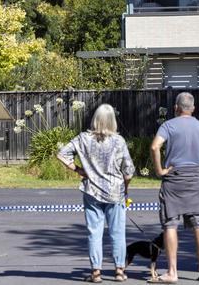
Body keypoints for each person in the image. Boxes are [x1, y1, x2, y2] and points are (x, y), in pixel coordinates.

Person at [149, 92, 199, 283]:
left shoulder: (168, 125)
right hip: (195, 179)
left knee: (170, 225)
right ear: (192, 109)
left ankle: (172, 272)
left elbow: (154, 147)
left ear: (176, 108)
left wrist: (160, 170)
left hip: (174, 179)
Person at [57, 104, 135, 283]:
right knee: (118, 233)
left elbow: (62, 154)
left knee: (94, 233)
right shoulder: (119, 141)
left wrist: (78, 169)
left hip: (92, 191)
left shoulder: (83, 138)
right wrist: (126, 187)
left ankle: (96, 273)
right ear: (112, 121)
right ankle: (119, 271)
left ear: (95, 119)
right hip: (115, 191)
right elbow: (128, 170)